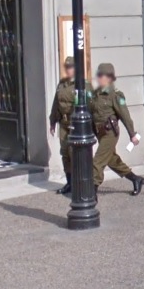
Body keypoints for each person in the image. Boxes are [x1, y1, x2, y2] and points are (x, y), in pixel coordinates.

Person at [90, 63, 144, 196]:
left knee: (97, 161)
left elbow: (125, 116)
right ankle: (135, 179)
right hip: (99, 132)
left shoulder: (115, 95)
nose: (98, 78)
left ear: (109, 77)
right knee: (111, 159)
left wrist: (132, 134)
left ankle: (92, 192)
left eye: (101, 75)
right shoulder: (96, 94)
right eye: (98, 75)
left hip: (110, 133)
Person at [51, 56, 88, 195]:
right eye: (67, 67)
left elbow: (87, 105)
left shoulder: (81, 84)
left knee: (74, 154)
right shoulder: (62, 84)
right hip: (63, 123)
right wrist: (52, 121)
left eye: (71, 67)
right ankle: (70, 183)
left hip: (75, 123)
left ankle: (80, 184)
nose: (68, 70)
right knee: (65, 153)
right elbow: (56, 103)